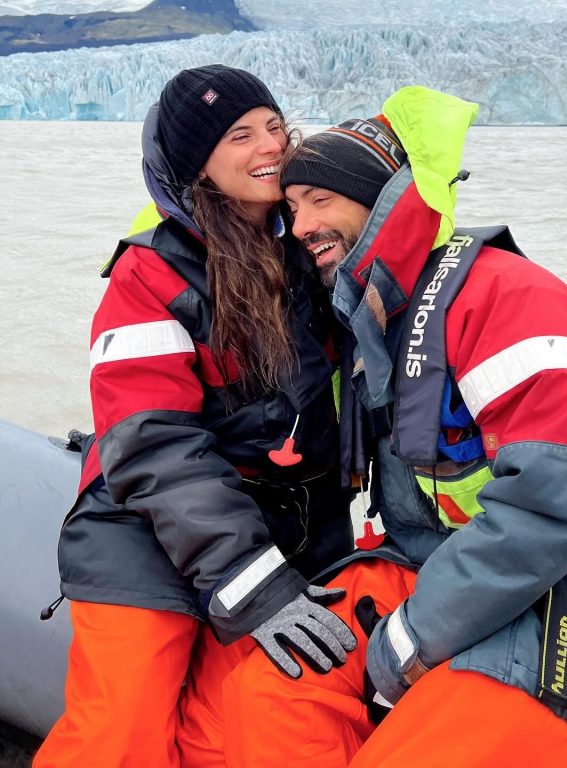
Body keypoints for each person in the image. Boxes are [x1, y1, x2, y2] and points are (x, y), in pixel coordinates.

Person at [220, 86, 567, 767]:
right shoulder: (370, 325)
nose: (303, 224)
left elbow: (552, 505)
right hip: (432, 569)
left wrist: (410, 640)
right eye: (291, 209)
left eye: (320, 199)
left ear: (378, 200)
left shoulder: (508, 295)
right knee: (265, 694)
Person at [33, 64, 358, 768]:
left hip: (278, 534)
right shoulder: (150, 274)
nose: (269, 145)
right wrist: (253, 581)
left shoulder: (314, 251)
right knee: (122, 733)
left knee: (235, 734)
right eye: (239, 135)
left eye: (273, 126)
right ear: (197, 166)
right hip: (144, 534)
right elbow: (153, 446)